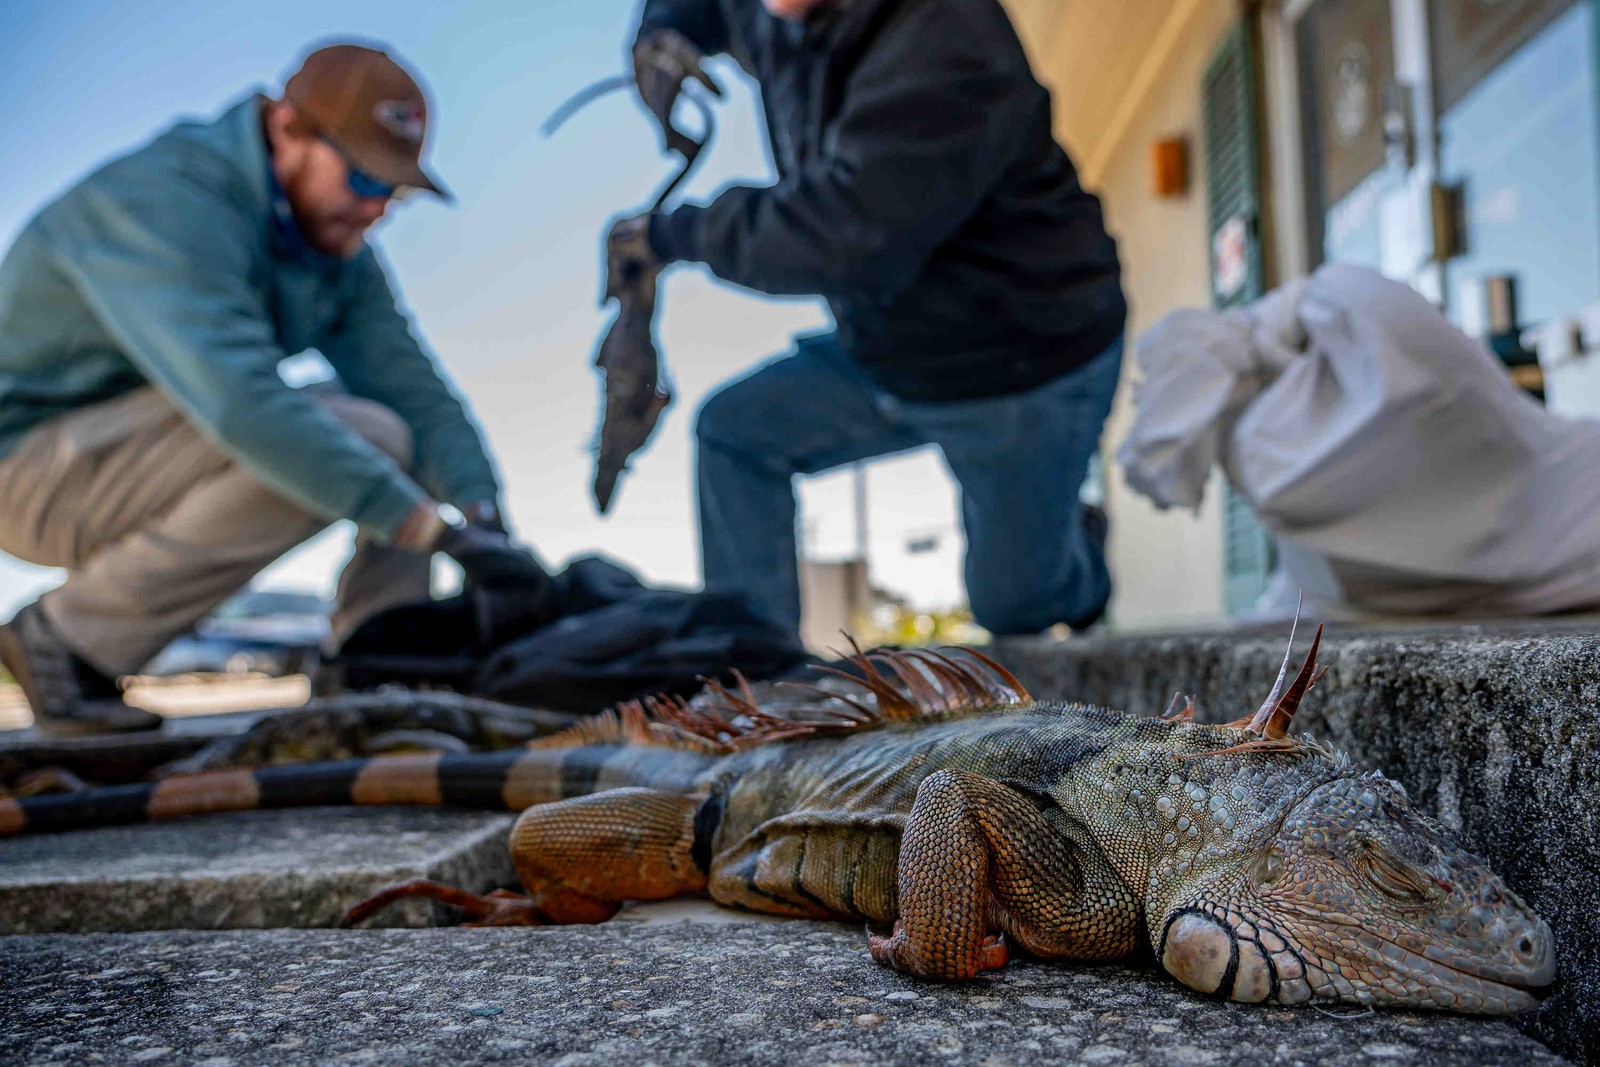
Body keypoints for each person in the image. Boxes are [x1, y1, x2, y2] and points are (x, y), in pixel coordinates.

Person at [0, 43, 562, 734]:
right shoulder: (164, 200)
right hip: (27, 475)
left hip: (135, 460)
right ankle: (66, 641)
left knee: (392, 424)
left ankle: (375, 665)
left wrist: (485, 523)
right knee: (361, 436)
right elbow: (241, 405)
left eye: (393, 193)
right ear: (287, 127)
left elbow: (416, 393)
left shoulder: (333, 247)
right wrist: (429, 530)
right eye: (363, 178)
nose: (376, 208)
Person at [613, 0, 1127, 640]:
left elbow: (844, 235)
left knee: (1013, 606)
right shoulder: (778, 16)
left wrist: (672, 234)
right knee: (733, 434)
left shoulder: (946, 33)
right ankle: (758, 669)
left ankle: (1075, 559)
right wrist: (663, 29)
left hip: (1018, 358)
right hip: (887, 350)